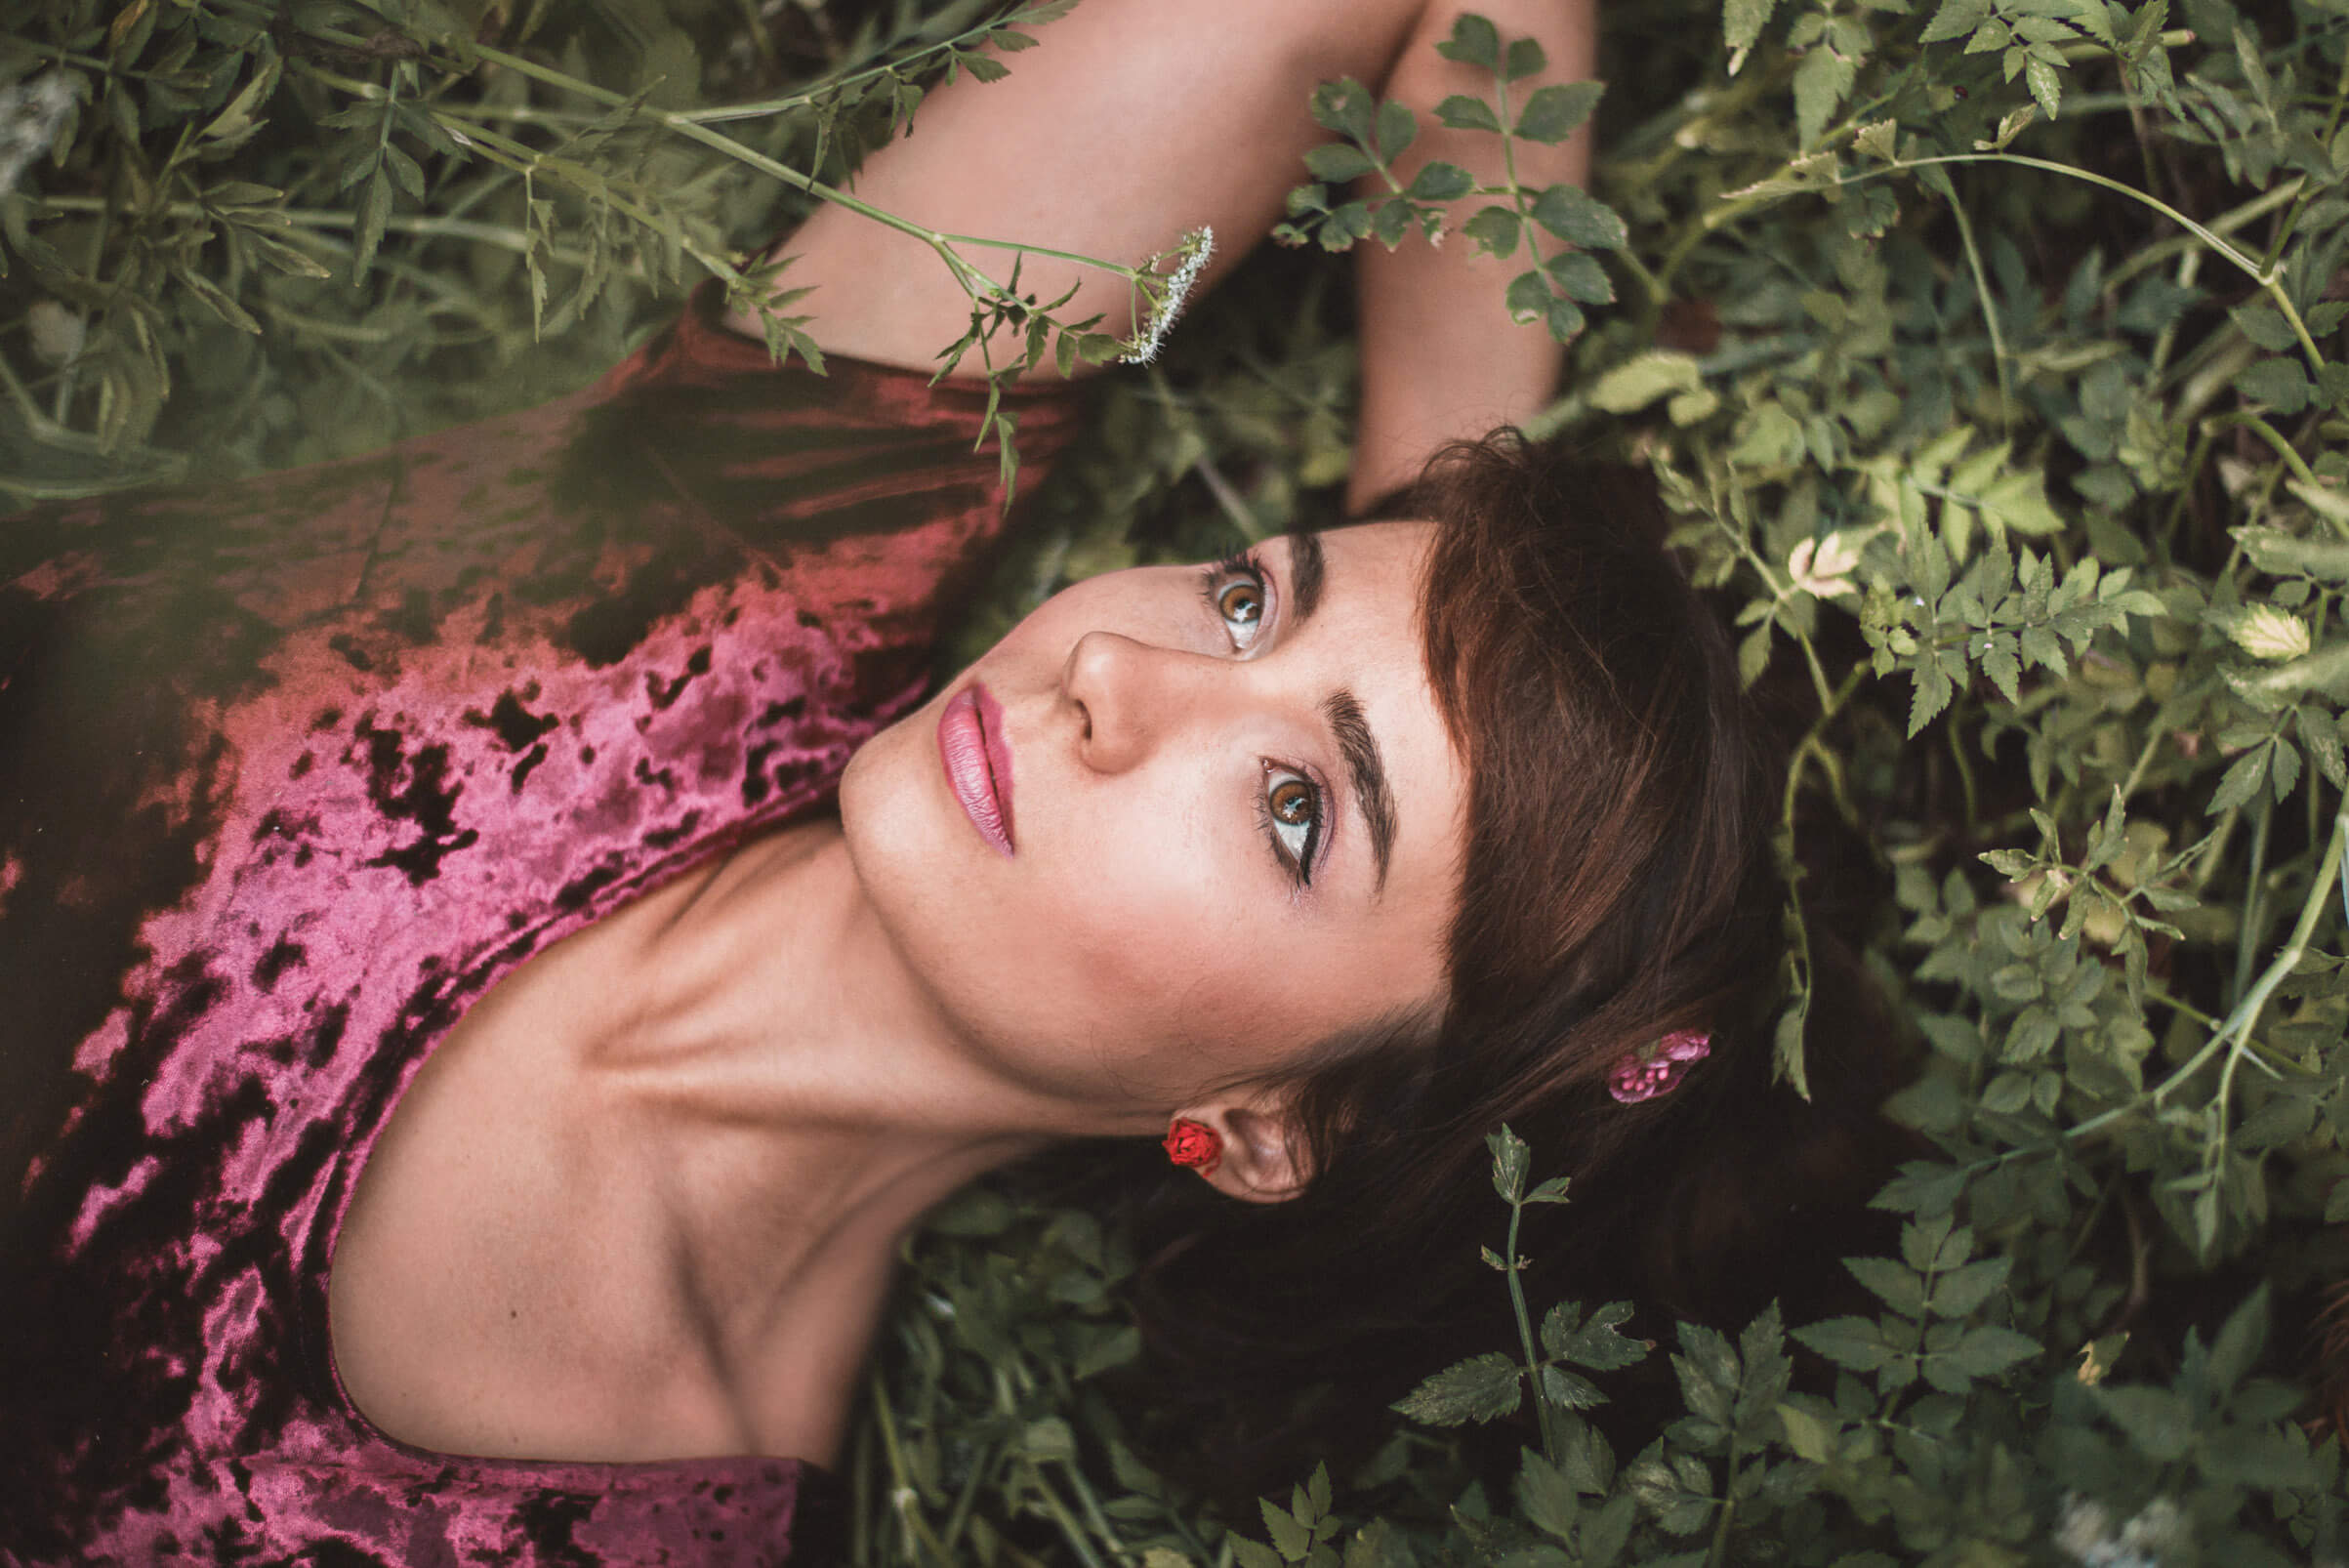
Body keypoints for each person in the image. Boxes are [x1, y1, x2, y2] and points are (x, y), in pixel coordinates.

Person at [0, 0, 1898, 1562]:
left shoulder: (589, 1518)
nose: (1127, 669)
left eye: (1298, 808)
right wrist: (1454, 535)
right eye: (1247, 595)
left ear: (1262, 1128)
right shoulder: (765, 554)